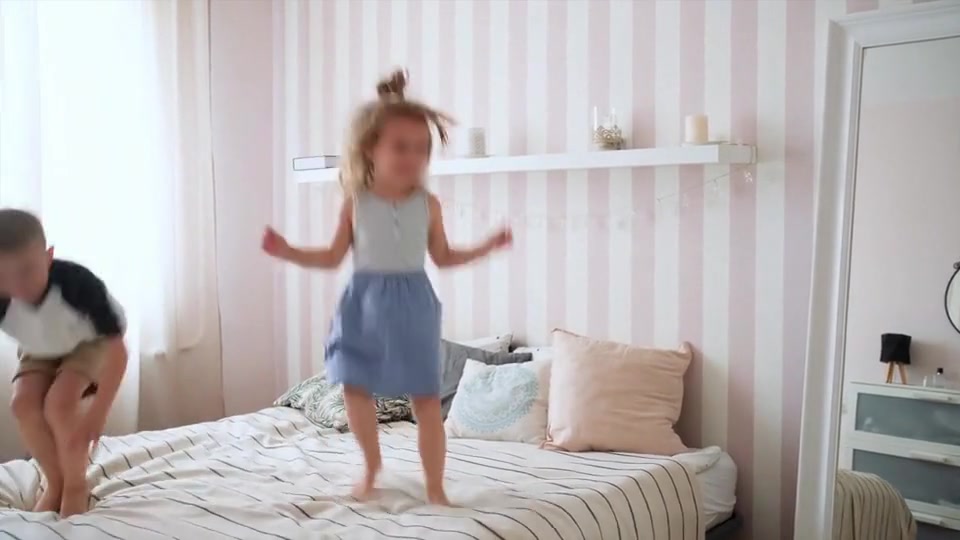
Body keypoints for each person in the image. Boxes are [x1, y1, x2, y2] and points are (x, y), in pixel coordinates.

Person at [262, 69, 511, 505]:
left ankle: (435, 486)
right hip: (362, 305)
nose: (412, 157)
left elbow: (444, 258)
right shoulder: (356, 202)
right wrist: (288, 251)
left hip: (413, 306)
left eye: (421, 149)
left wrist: (486, 247)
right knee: (354, 388)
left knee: (425, 400)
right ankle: (371, 465)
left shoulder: (428, 204)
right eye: (400, 146)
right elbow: (331, 257)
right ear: (369, 148)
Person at [0, 209, 127, 517]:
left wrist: (97, 415)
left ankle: (75, 485)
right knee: (23, 404)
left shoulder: (78, 286)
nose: (18, 286)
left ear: (48, 257)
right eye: (3, 276)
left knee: (59, 404)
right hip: (41, 343)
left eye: (27, 271)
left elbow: (118, 353)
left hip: (90, 339)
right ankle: (55, 482)